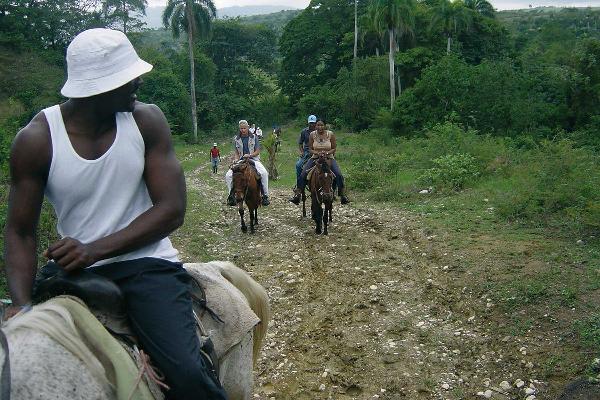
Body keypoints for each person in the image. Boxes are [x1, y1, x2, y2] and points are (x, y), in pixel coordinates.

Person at [2, 29, 227, 400]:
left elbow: (171, 210)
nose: (138, 81)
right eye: (127, 78)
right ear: (96, 88)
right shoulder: (37, 139)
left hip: (146, 265)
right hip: (73, 273)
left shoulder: (145, 121)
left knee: (187, 378)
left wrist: (94, 250)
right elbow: (20, 232)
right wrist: (22, 305)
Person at [295, 117, 349, 204]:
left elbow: (334, 148)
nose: (320, 127)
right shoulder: (312, 134)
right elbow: (310, 148)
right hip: (315, 158)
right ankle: (298, 194)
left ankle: (342, 195)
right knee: (303, 173)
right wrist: (317, 153)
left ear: (325, 126)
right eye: (318, 125)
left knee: (338, 174)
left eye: (321, 125)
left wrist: (327, 153)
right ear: (316, 126)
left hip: (329, 158)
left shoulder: (330, 134)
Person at [225, 120, 270, 206]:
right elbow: (237, 153)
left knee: (264, 173)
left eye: (244, 128)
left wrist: (249, 155)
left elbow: (257, 151)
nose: (243, 130)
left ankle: (265, 195)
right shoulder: (236, 139)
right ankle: (231, 196)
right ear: (239, 128)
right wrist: (236, 159)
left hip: (253, 159)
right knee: (228, 175)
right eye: (241, 128)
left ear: (248, 127)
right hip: (241, 160)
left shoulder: (254, 137)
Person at [289, 114, 317, 204]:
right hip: (307, 153)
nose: (311, 125)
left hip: (318, 153)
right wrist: (301, 152)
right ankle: (299, 189)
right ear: (308, 123)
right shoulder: (304, 131)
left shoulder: (319, 131)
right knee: (298, 165)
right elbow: (300, 143)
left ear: (316, 123)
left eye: (313, 123)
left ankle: (332, 189)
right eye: (310, 123)